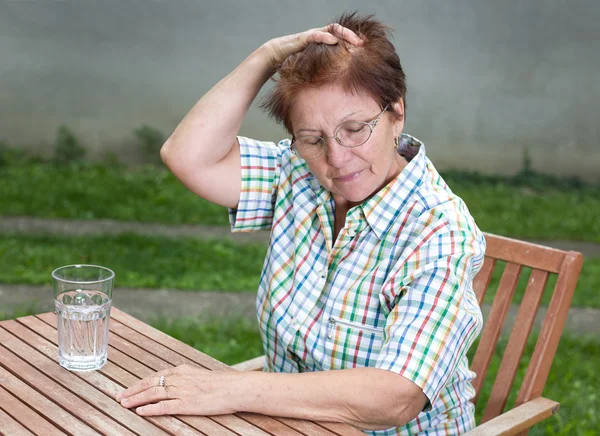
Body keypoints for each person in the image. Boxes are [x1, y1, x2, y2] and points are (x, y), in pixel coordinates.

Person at [116, 12, 486, 435]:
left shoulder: (439, 230)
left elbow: (396, 395)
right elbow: (187, 156)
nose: (337, 159)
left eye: (355, 129)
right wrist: (268, 56)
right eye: (313, 139)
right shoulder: (297, 175)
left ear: (396, 112)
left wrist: (234, 389)